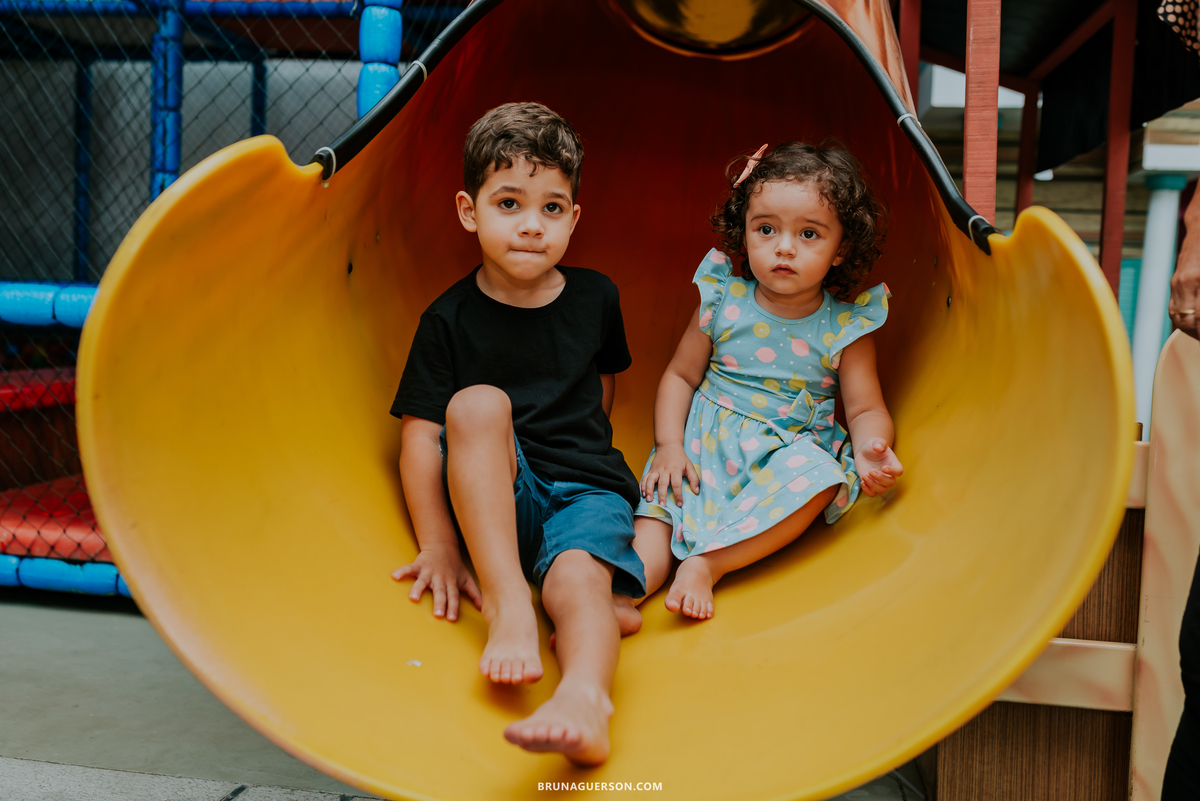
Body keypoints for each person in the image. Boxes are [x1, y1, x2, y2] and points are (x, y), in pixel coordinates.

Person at [388, 102, 644, 766]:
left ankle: (584, 700)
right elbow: (420, 440)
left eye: (552, 208)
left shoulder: (597, 298)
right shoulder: (447, 320)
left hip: (586, 493)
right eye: (509, 203)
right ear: (469, 211)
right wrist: (440, 545)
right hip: (498, 500)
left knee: (578, 584)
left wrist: (583, 470)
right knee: (475, 405)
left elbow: (600, 394)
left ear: (573, 219)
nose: (532, 224)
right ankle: (510, 608)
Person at [621, 141, 903, 621]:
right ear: (745, 231)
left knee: (823, 477)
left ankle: (710, 564)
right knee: (657, 523)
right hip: (702, 449)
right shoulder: (721, 301)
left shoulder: (846, 328)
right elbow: (680, 376)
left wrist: (871, 448)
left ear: (840, 250)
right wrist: (669, 446)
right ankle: (617, 601)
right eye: (766, 229)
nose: (784, 247)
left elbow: (864, 410)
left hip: (782, 458)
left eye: (809, 234)